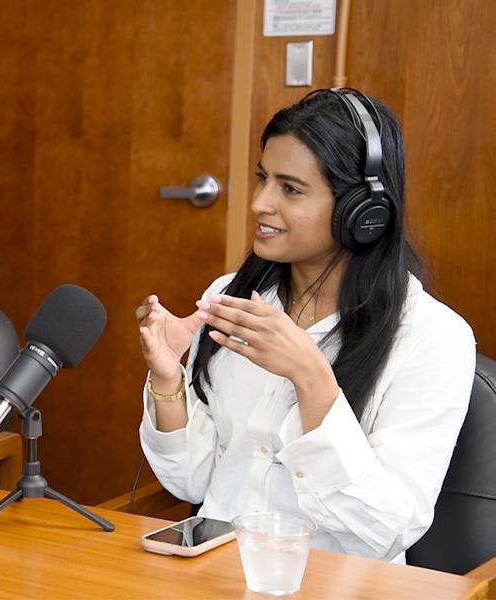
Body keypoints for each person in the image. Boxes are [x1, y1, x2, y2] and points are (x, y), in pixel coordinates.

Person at [136, 89, 476, 562]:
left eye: (290, 189)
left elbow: (387, 530)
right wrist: (168, 379)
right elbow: (191, 481)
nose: (259, 203)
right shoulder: (233, 297)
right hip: (216, 574)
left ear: (364, 212)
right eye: (262, 179)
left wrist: (311, 375)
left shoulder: (433, 339)